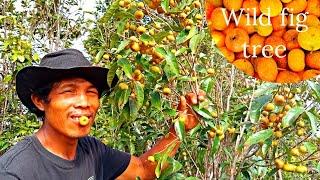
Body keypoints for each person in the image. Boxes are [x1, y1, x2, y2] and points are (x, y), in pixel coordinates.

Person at [0, 49, 201, 180]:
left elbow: (142, 170)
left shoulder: (91, 150)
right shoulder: (16, 171)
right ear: (40, 101)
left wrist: (177, 129)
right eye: (69, 91)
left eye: (91, 92)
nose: (84, 102)